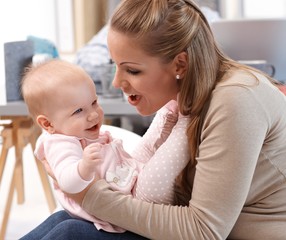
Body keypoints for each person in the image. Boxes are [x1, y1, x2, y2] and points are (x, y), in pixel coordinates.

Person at [21, 0, 286, 239]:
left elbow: (204, 230)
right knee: (63, 221)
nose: (116, 82)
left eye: (132, 70)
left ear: (180, 65)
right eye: (115, 65)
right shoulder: (182, 98)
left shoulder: (235, 100)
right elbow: (142, 177)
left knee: (71, 233)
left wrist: (87, 195)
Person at [20, 59, 189, 238]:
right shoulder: (61, 143)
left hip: (115, 208)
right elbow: (68, 182)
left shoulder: (77, 133)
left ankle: (173, 111)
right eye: (78, 111)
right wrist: (84, 166)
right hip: (110, 219)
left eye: (94, 103)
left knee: (60, 220)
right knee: (67, 229)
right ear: (48, 123)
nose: (93, 114)